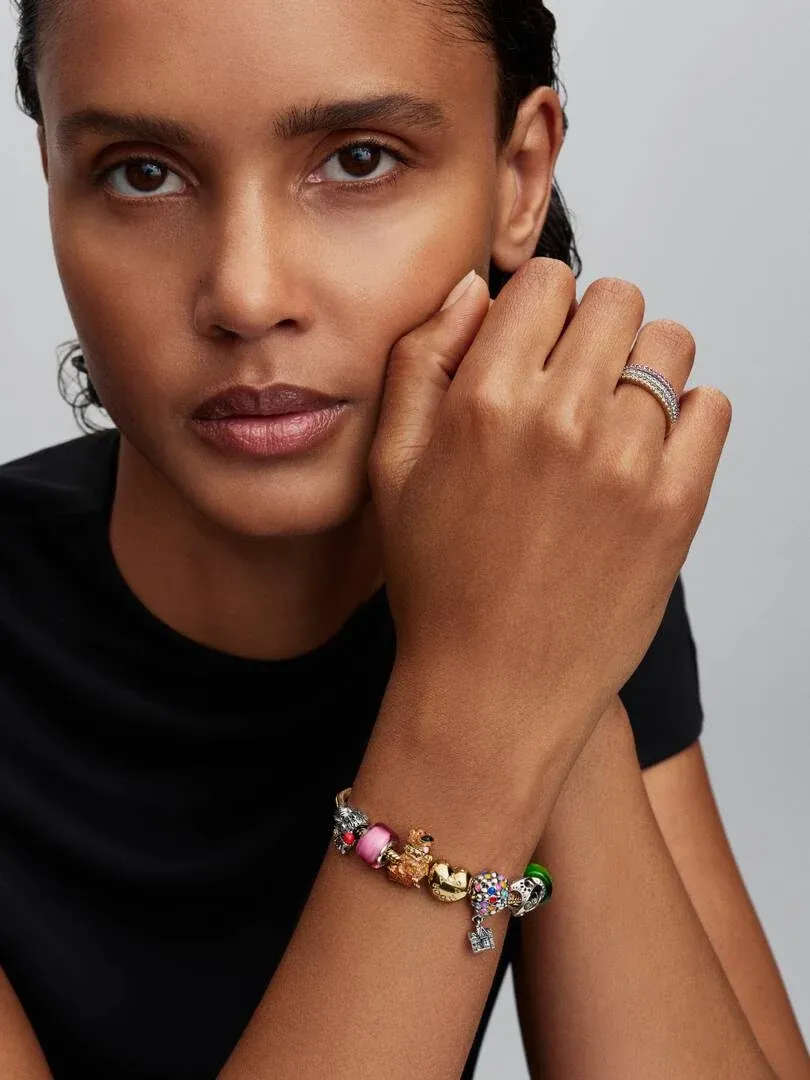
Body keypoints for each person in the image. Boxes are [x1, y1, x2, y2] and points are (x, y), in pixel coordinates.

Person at [1, 1, 807, 1078]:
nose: (247, 295)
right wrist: (485, 694)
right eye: (141, 174)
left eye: (359, 159)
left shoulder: (553, 556)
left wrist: (535, 636)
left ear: (518, 178)